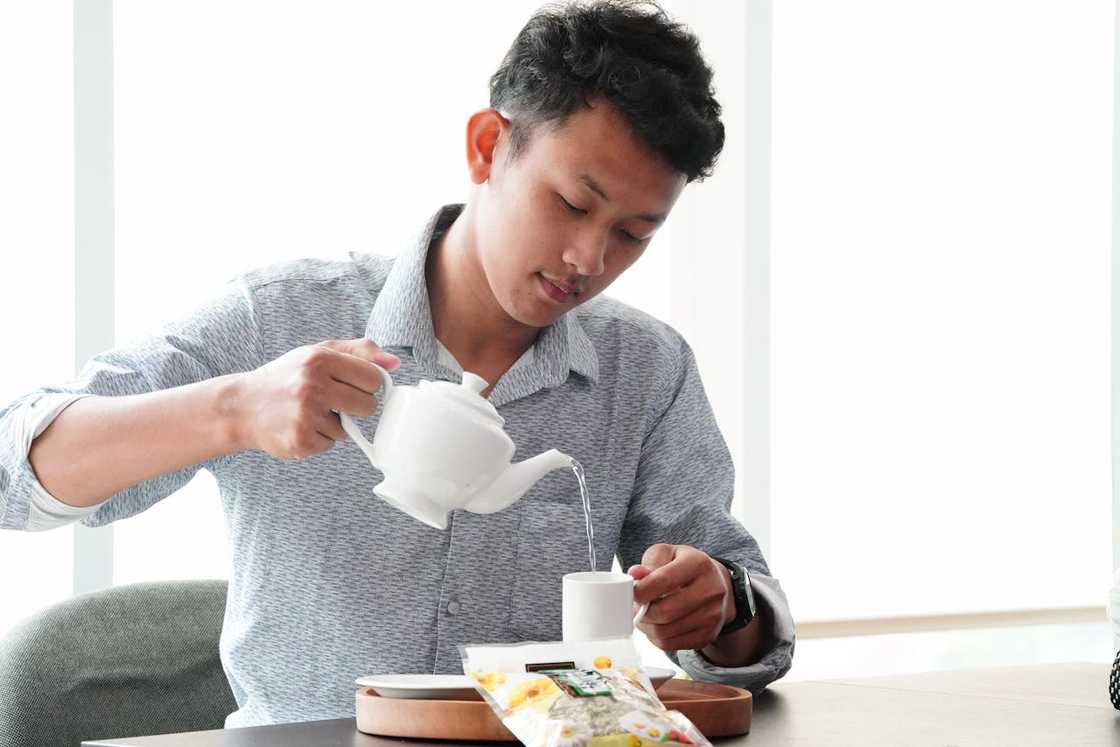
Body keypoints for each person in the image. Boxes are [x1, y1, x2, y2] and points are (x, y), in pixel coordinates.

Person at [0, 0, 794, 728]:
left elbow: (748, 634)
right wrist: (234, 410)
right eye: (572, 204)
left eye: (632, 234)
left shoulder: (645, 369)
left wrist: (724, 605)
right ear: (488, 147)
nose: (589, 258)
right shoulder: (280, 318)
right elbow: (14, 471)